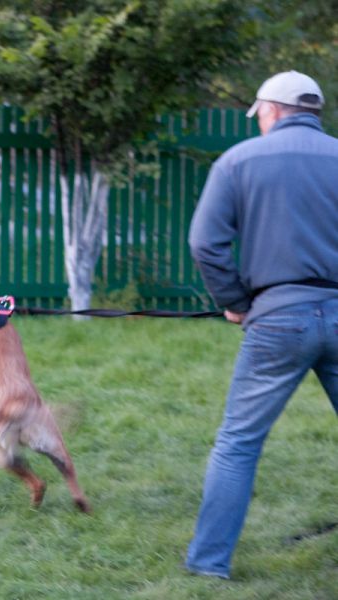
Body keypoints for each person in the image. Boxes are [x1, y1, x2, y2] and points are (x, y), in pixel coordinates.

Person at [185, 70, 338, 579]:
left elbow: (205, 243)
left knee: (239, 443)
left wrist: (235, 302)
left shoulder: (238, 160)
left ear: (270, 111)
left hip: (277, 320)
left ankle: (209, 565)